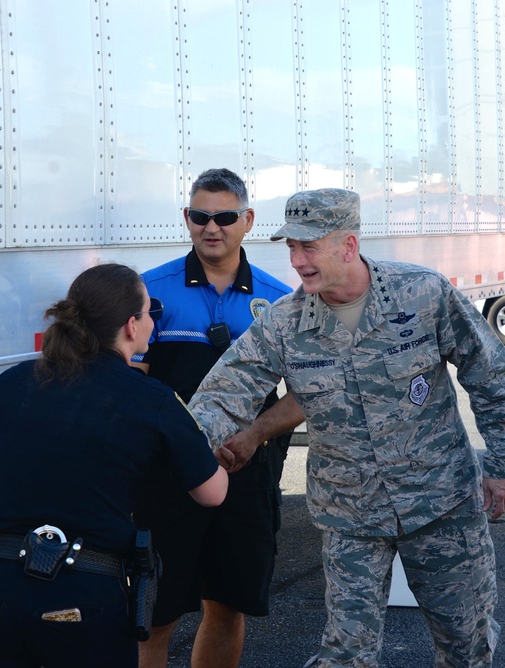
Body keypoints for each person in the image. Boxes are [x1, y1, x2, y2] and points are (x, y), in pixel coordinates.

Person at [187, 187, 505, 667]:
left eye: (308, 246)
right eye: (291, 247)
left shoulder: (423, 294)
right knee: (347, 654)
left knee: (466, 644)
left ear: (347, 246)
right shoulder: (283, 324)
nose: (297, 260)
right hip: (350, 516)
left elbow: (491, 374)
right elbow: (226, 392)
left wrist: (500, 462)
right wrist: (178, 444)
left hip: (440, 505)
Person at [0, 263, 228, 668]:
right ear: (131, 326)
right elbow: (212, 493)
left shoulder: (16, 380)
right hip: (85, 600)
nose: (152, 323)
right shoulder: (153, 399)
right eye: (151, 313)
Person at [132, 168, 304, 668]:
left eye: (225, 217)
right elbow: (128, 386)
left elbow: (307, 395)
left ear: (247, 220)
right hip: (166, 480)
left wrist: (253, 439)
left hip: (246, 476)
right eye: (200, 216)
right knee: (156, 614)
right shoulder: (150, 293)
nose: (212, 227)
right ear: (187, 219)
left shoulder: (281, 301)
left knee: (227, 607)